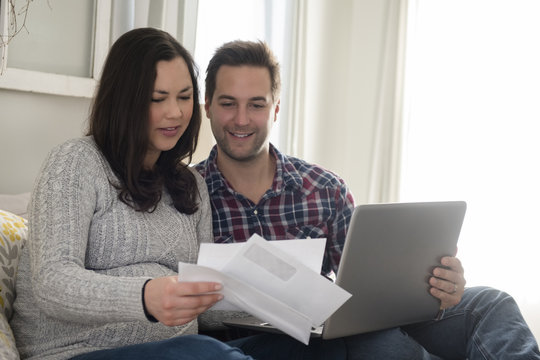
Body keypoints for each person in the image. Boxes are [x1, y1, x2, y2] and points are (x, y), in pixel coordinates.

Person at [195, 40, 540, 359]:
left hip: (332, 325)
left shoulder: (324, 188)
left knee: (492, 303)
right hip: (261, 342)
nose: (241, 119)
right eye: (228, 104)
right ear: (208, 106)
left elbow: (365, 289)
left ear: (276, 109)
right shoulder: (187, 195)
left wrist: (438, 290)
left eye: (256, 104)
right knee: (378, 344)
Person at [10, 28, 254, 360]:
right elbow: (51, 283)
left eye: (184, 97)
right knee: (210, 354)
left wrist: (280, 303)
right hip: (77, 353)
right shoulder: (75, 162)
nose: (175, 113)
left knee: (329, 347)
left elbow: (206, 312)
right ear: (125, 100)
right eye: (158, 98)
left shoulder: (191, 184)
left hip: (182, 349)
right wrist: (144, 296)